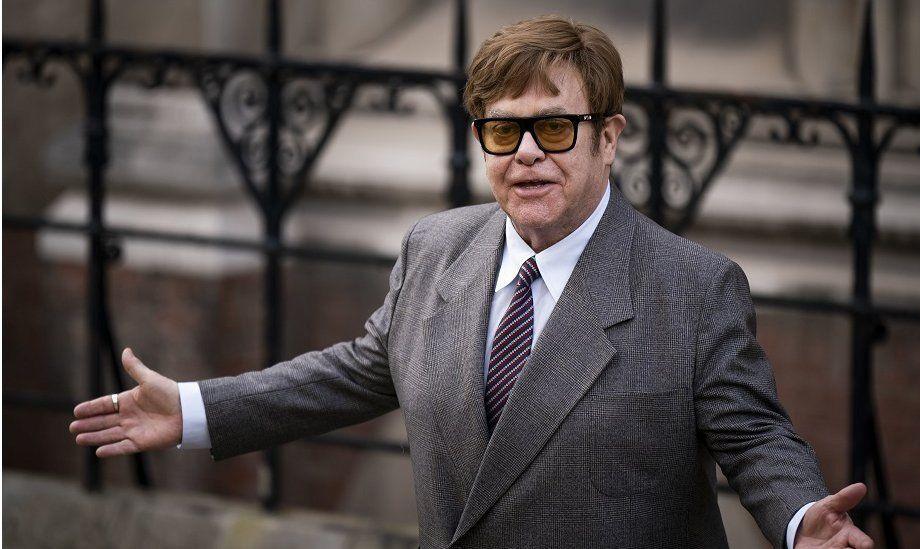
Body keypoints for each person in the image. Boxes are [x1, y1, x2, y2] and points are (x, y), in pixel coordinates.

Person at [70, 15, 874, 549]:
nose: (527, 152)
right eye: (502, 129)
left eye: (555, 127)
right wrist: (194, 409)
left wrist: (802, 520)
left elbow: (757, 437)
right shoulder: (436, 248)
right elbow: (353, 372)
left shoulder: (692, 287)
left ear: (610, 138)